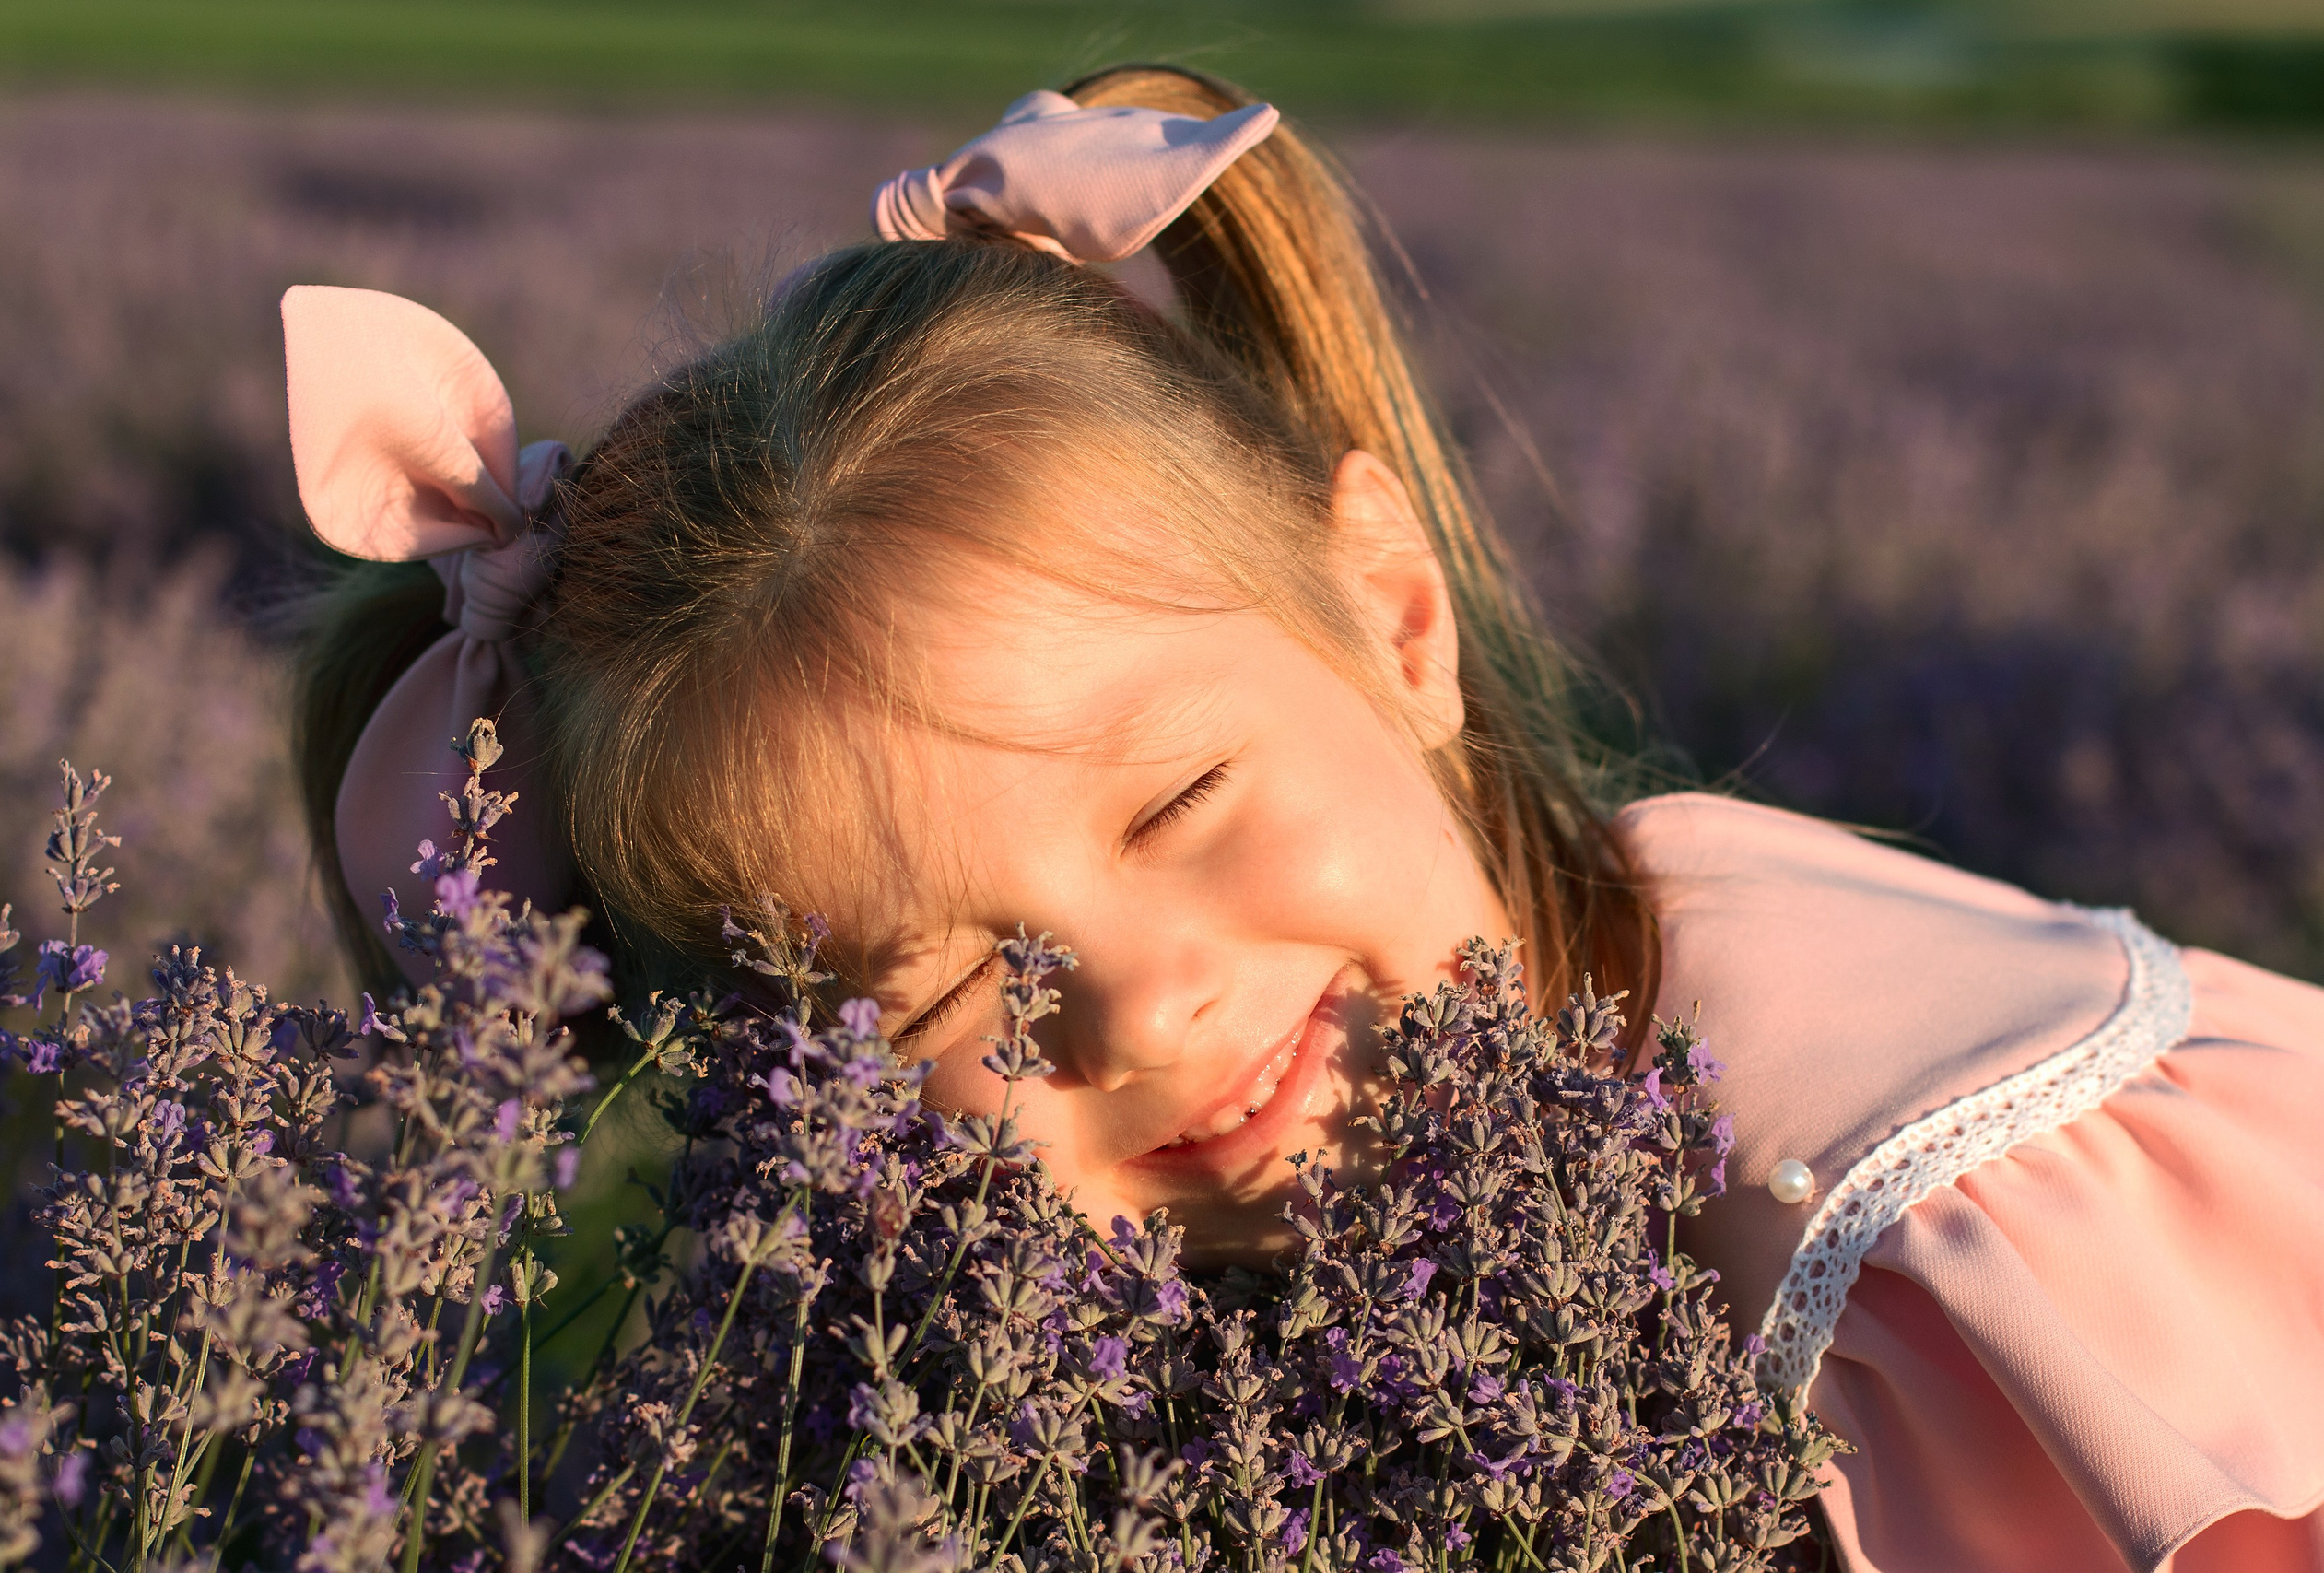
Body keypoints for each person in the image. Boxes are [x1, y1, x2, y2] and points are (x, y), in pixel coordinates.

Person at [284, 65, 2324, 1573]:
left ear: (1399, 617)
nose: (1138, 1005)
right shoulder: (1025, 1348)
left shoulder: (1924, 1218)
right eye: (930, 1001)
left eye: (1176, 798)